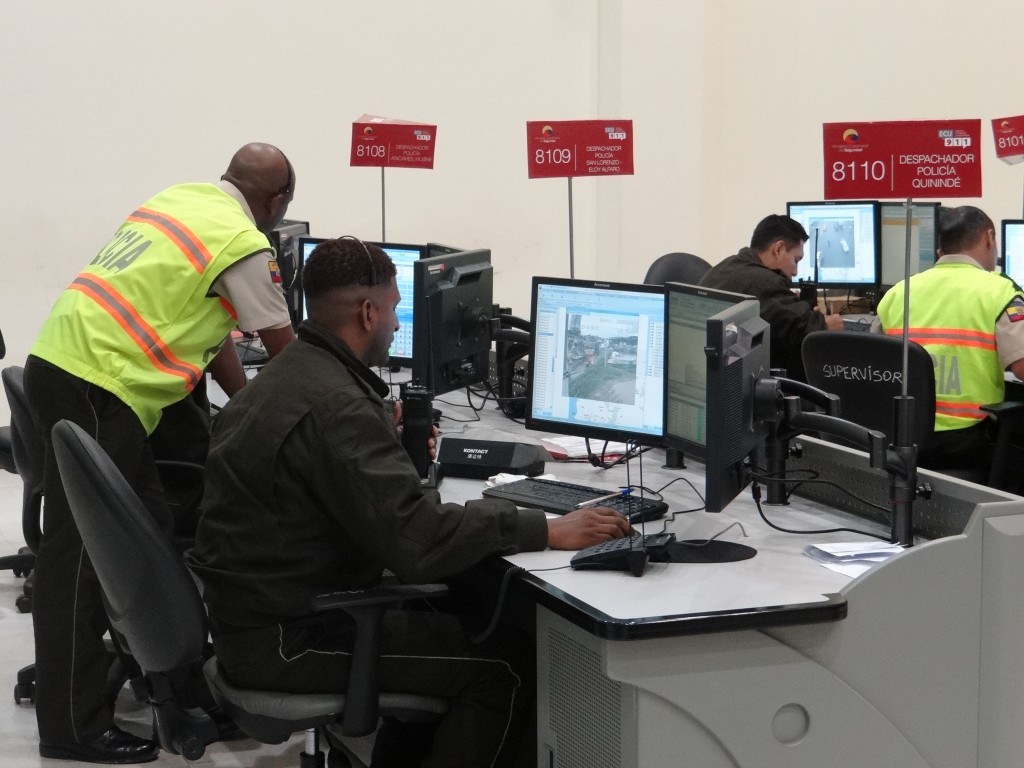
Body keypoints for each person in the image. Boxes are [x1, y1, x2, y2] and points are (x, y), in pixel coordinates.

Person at [187, 237, 632, 768]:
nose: (398, 325)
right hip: (291, 639)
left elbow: (345, 491)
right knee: (507, 666)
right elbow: (416, 542)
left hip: (252, 622)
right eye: (395, 309)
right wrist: (544, 528)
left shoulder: (289, 376)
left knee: (458, 615)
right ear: (368, 312)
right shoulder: (338, 405)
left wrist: (387, 448)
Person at [24, 142, 298, 763]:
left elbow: (214, 328)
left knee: (145, 547)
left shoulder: (181, 200)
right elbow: (290, 357)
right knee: (85, 558)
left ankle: (180, 697)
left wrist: (244, 403)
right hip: (99, 382)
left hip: (69, 364)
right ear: (278, 200)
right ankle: (69, 725)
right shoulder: (244, 243)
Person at [875, 205, 1024, 472]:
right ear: (989, 238)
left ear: (940, 249)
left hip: (904, 439)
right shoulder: (1001, 291)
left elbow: (870, 364)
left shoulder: (898, 292)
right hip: (966, 440)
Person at [700, 214, 844, 381]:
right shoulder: (766, 283)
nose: (795, 272)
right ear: (778, 249)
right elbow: (808, 330)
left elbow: (776, 311)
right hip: (736, 380)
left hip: (712, 371)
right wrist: (828, 323)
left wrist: (789, 301)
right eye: (796, 260)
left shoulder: (728, 265)